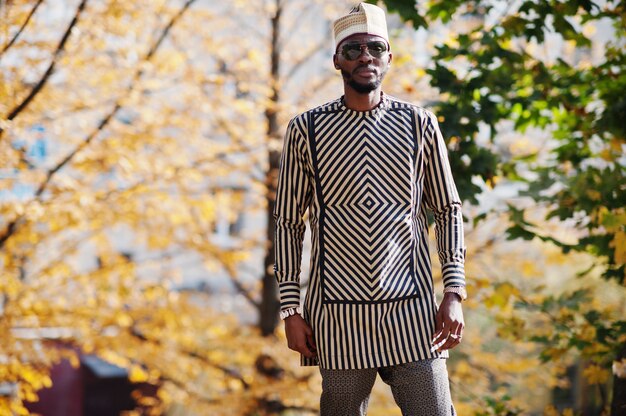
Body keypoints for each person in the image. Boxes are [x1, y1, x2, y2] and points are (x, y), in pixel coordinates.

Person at [273, 3, 467, 415]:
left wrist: (453, 290)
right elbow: (289, 222)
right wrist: (290, 308)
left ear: (389, 57)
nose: (365, 57)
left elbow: (447, 209)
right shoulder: (305, 129)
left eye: (375, 48)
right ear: (336, 60)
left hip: (413, 315)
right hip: (337, 319)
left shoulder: (419, 124)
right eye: (353, 49)